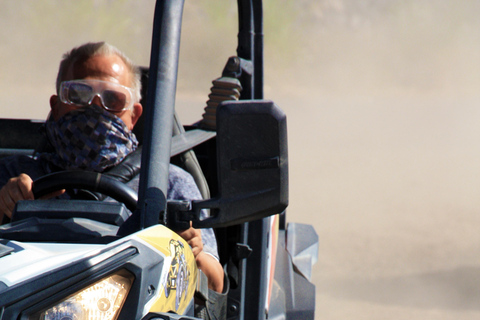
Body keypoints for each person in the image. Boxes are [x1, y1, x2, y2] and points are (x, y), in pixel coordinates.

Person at [0, 42, 224, 293]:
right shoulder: (13, 175)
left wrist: (191, 250)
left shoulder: (166, 183)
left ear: (134, 116)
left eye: (113, 99)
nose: (95, 108)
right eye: (79, 94)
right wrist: (4, 205)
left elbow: (215, 287)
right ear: (55, 106)